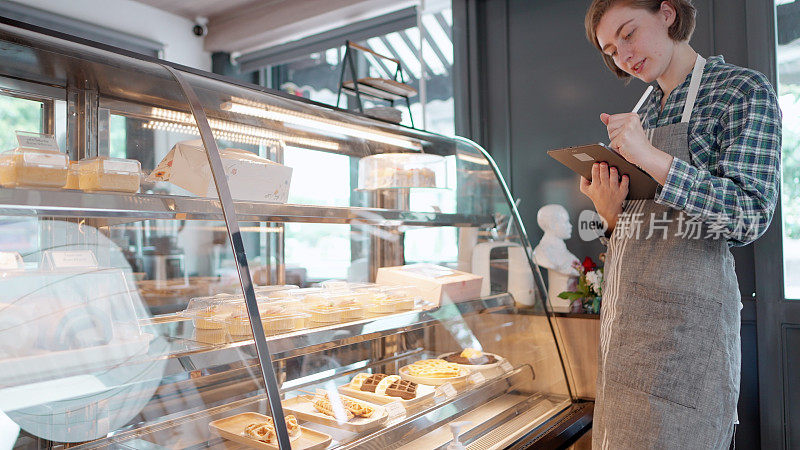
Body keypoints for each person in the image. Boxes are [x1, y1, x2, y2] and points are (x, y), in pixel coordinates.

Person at [582, 1, 781, 449]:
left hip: (688, 343)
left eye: (628, 33)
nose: (624, 56)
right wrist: (611, 214)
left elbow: (749, 214)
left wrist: (651, 157)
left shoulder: (742, 91)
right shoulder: (643, 112)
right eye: (612, 50)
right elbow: (650, 229)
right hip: (626, 340)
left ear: (667, 13)